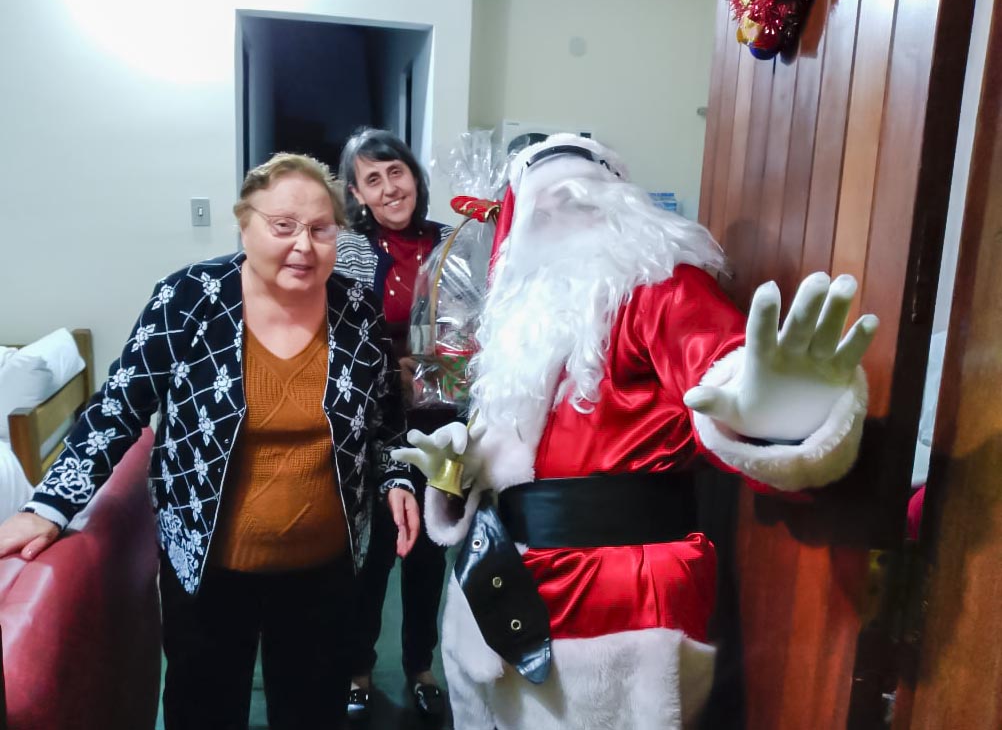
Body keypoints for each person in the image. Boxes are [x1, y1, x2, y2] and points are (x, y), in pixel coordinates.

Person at [395, 134, 879, 730]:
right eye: (542, 209)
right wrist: (462, 467)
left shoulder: (662, 289)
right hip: (500, 583)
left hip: (612, 604)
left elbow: (719, 370)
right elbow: (518, 450)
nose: (560, 218)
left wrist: (777, 413)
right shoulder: (519, 322)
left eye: (578, 199)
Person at [0, 153, 422, 730]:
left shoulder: (357, 310)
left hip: (324, 571)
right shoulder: (189, 298)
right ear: (244, 224)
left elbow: (386, 420)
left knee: (313, 713)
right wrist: (47, 506)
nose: (303, 245)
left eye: (321, 229)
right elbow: (119, 407)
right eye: (283, 226)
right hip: (208, 573)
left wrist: (396, 477)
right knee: (204, 711)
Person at [335, 127, 453, 721]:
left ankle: (420, 666)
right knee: (375, 548)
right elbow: (338, 338)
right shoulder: (348, 250)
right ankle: (358, 667)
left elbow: (478, 327)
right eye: (372, 179)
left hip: (445, 424)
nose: (389, 188)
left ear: (414, 176)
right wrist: (391, 367)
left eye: (396, 172)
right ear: (357, 193)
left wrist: (448, 368)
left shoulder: (454, 243)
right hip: (374, 423)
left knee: (431, 547)